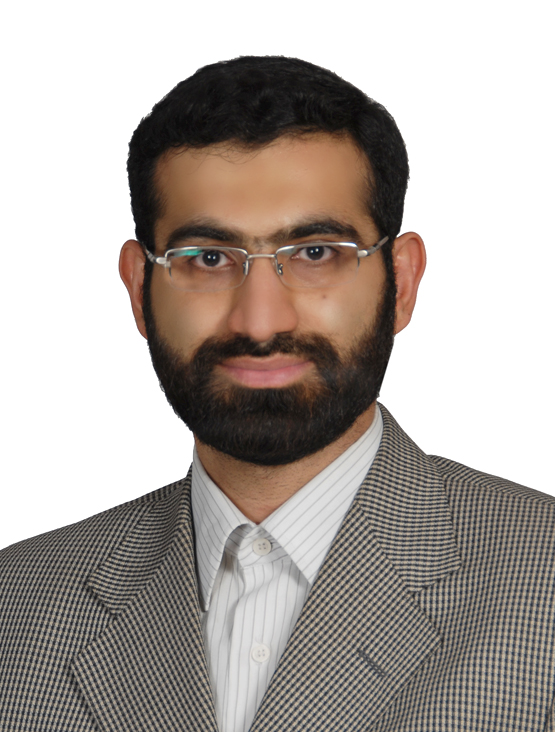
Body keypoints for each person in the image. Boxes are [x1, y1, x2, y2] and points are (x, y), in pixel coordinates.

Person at [1, 56, 554, 732]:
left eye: (316, 253)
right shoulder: (15, 607)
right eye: (207, 259)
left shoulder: (541, 583)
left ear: (402, 283)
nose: (261, 322)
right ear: (139, 290)